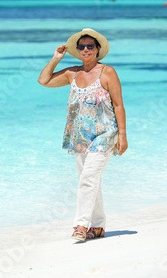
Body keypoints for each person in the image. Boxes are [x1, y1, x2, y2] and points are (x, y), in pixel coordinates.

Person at [37, 28, 128, 242]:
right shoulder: (72, 73)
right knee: (89, 179)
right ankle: (98, 226)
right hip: (79, 136)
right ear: (77, 51)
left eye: (90, 46)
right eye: (81, 46)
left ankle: (81, 224)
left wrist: (122, 135)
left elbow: (118, 104)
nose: (86, 49)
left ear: (97, 49)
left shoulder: (108, 72)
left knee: (88, 179)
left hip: (104, 134)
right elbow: (44, 80)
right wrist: (55, 58)